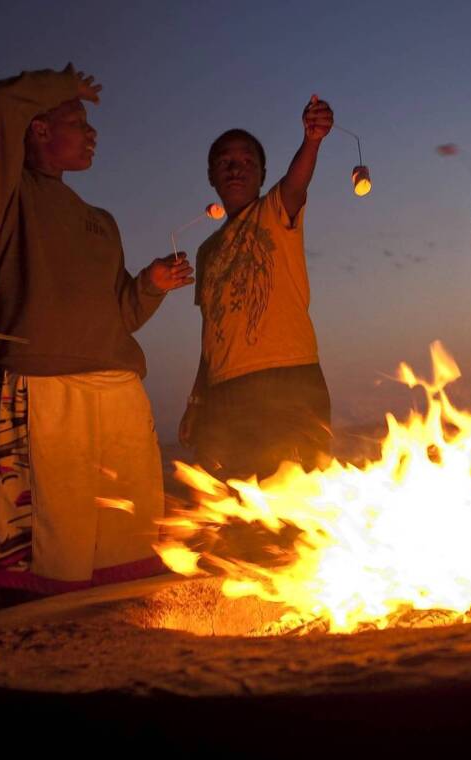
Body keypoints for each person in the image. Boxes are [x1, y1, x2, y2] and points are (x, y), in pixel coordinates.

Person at [0, 65, 193, 594]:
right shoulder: (9, 195)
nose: (92, 133)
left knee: (126, 539)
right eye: (77, 121)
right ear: (40, 130)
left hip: (118, 384)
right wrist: (60, 85)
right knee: (54, 540)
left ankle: (118, 640)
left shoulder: (102, 220)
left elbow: (123, 315)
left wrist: (151, 284)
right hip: (47, 383)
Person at [178, 96, 334, 480]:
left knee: (296, 510)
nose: (236, 169)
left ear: (264, 175)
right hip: (224, 392)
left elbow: (298, 182)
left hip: (288, 383)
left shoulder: (275, 213)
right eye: (225, 163)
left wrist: (312, 140)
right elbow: (211, 331)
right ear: (212, 175)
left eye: (248, 162)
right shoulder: (206, 251)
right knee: (235, 510)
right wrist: (198, 398)